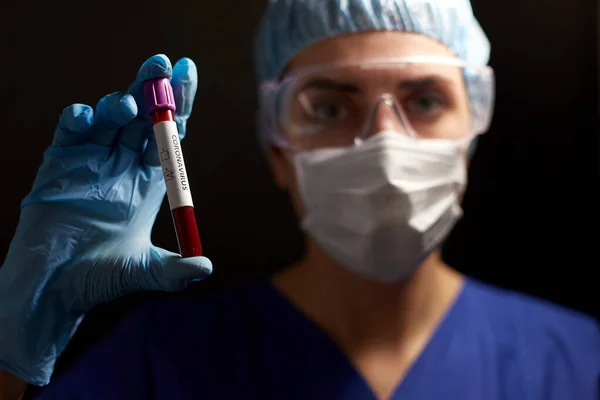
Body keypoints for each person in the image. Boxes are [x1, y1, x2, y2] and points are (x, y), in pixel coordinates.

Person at [1, 0, 599, 399]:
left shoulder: (579, 363)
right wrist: (9, 354)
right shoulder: (158, 365)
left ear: (473, 129)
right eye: (330, 107)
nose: (385, 147)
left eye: (423, 101)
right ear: (278, 150)